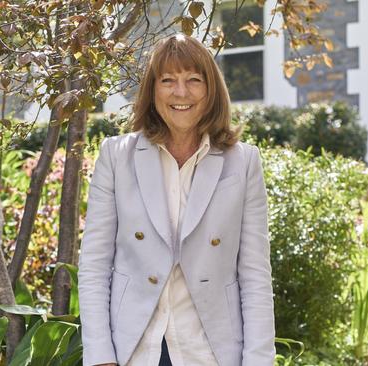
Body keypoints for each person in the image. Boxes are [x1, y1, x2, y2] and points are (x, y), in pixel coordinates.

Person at [77, 34, 275, 366]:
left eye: (193, 80)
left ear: (210, 89)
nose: (180, 93)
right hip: (135, 348)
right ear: (152, 91)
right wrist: (100, 357)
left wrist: (257, 360)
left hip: (211, 351)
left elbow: (255, 274)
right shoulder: (116, 157)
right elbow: (95, 264)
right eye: (168, 80)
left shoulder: (243, 163)